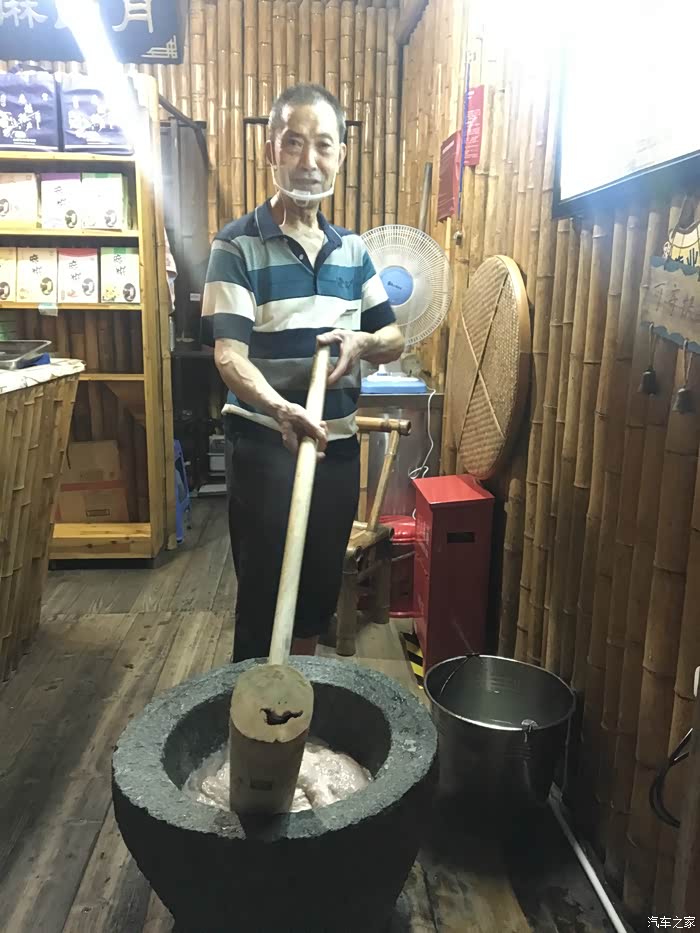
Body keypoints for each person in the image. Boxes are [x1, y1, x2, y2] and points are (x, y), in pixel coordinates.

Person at [201, 83, 404, 662]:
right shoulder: (236, 246)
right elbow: (229, 356)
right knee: (264, 595)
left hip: (336, 448)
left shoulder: (353, 252)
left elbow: (393, 337)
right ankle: (253, 700)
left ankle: (297, 694)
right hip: (267, 443)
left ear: (341, 155)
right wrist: (281, 409)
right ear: (271, 150)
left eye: (323, 145)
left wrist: (364, 341)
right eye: (293, 143)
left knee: (316, 590)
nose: (308, 161)